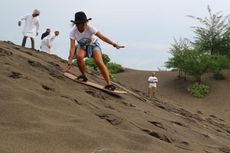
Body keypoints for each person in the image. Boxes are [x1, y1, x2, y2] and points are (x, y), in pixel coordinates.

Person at [66, 11, 124, 90]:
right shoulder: (73, 32)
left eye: (85, 22)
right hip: (82, 46)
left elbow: (102, 37)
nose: (85, 25)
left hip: (93, 45)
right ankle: (83, 75)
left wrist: (114, 44)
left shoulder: (90, 28)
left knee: (99, 62)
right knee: (79, 57)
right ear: (77, 24)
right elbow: (72, 47)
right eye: (82, 23)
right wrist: (70, 60)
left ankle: (109, 84)